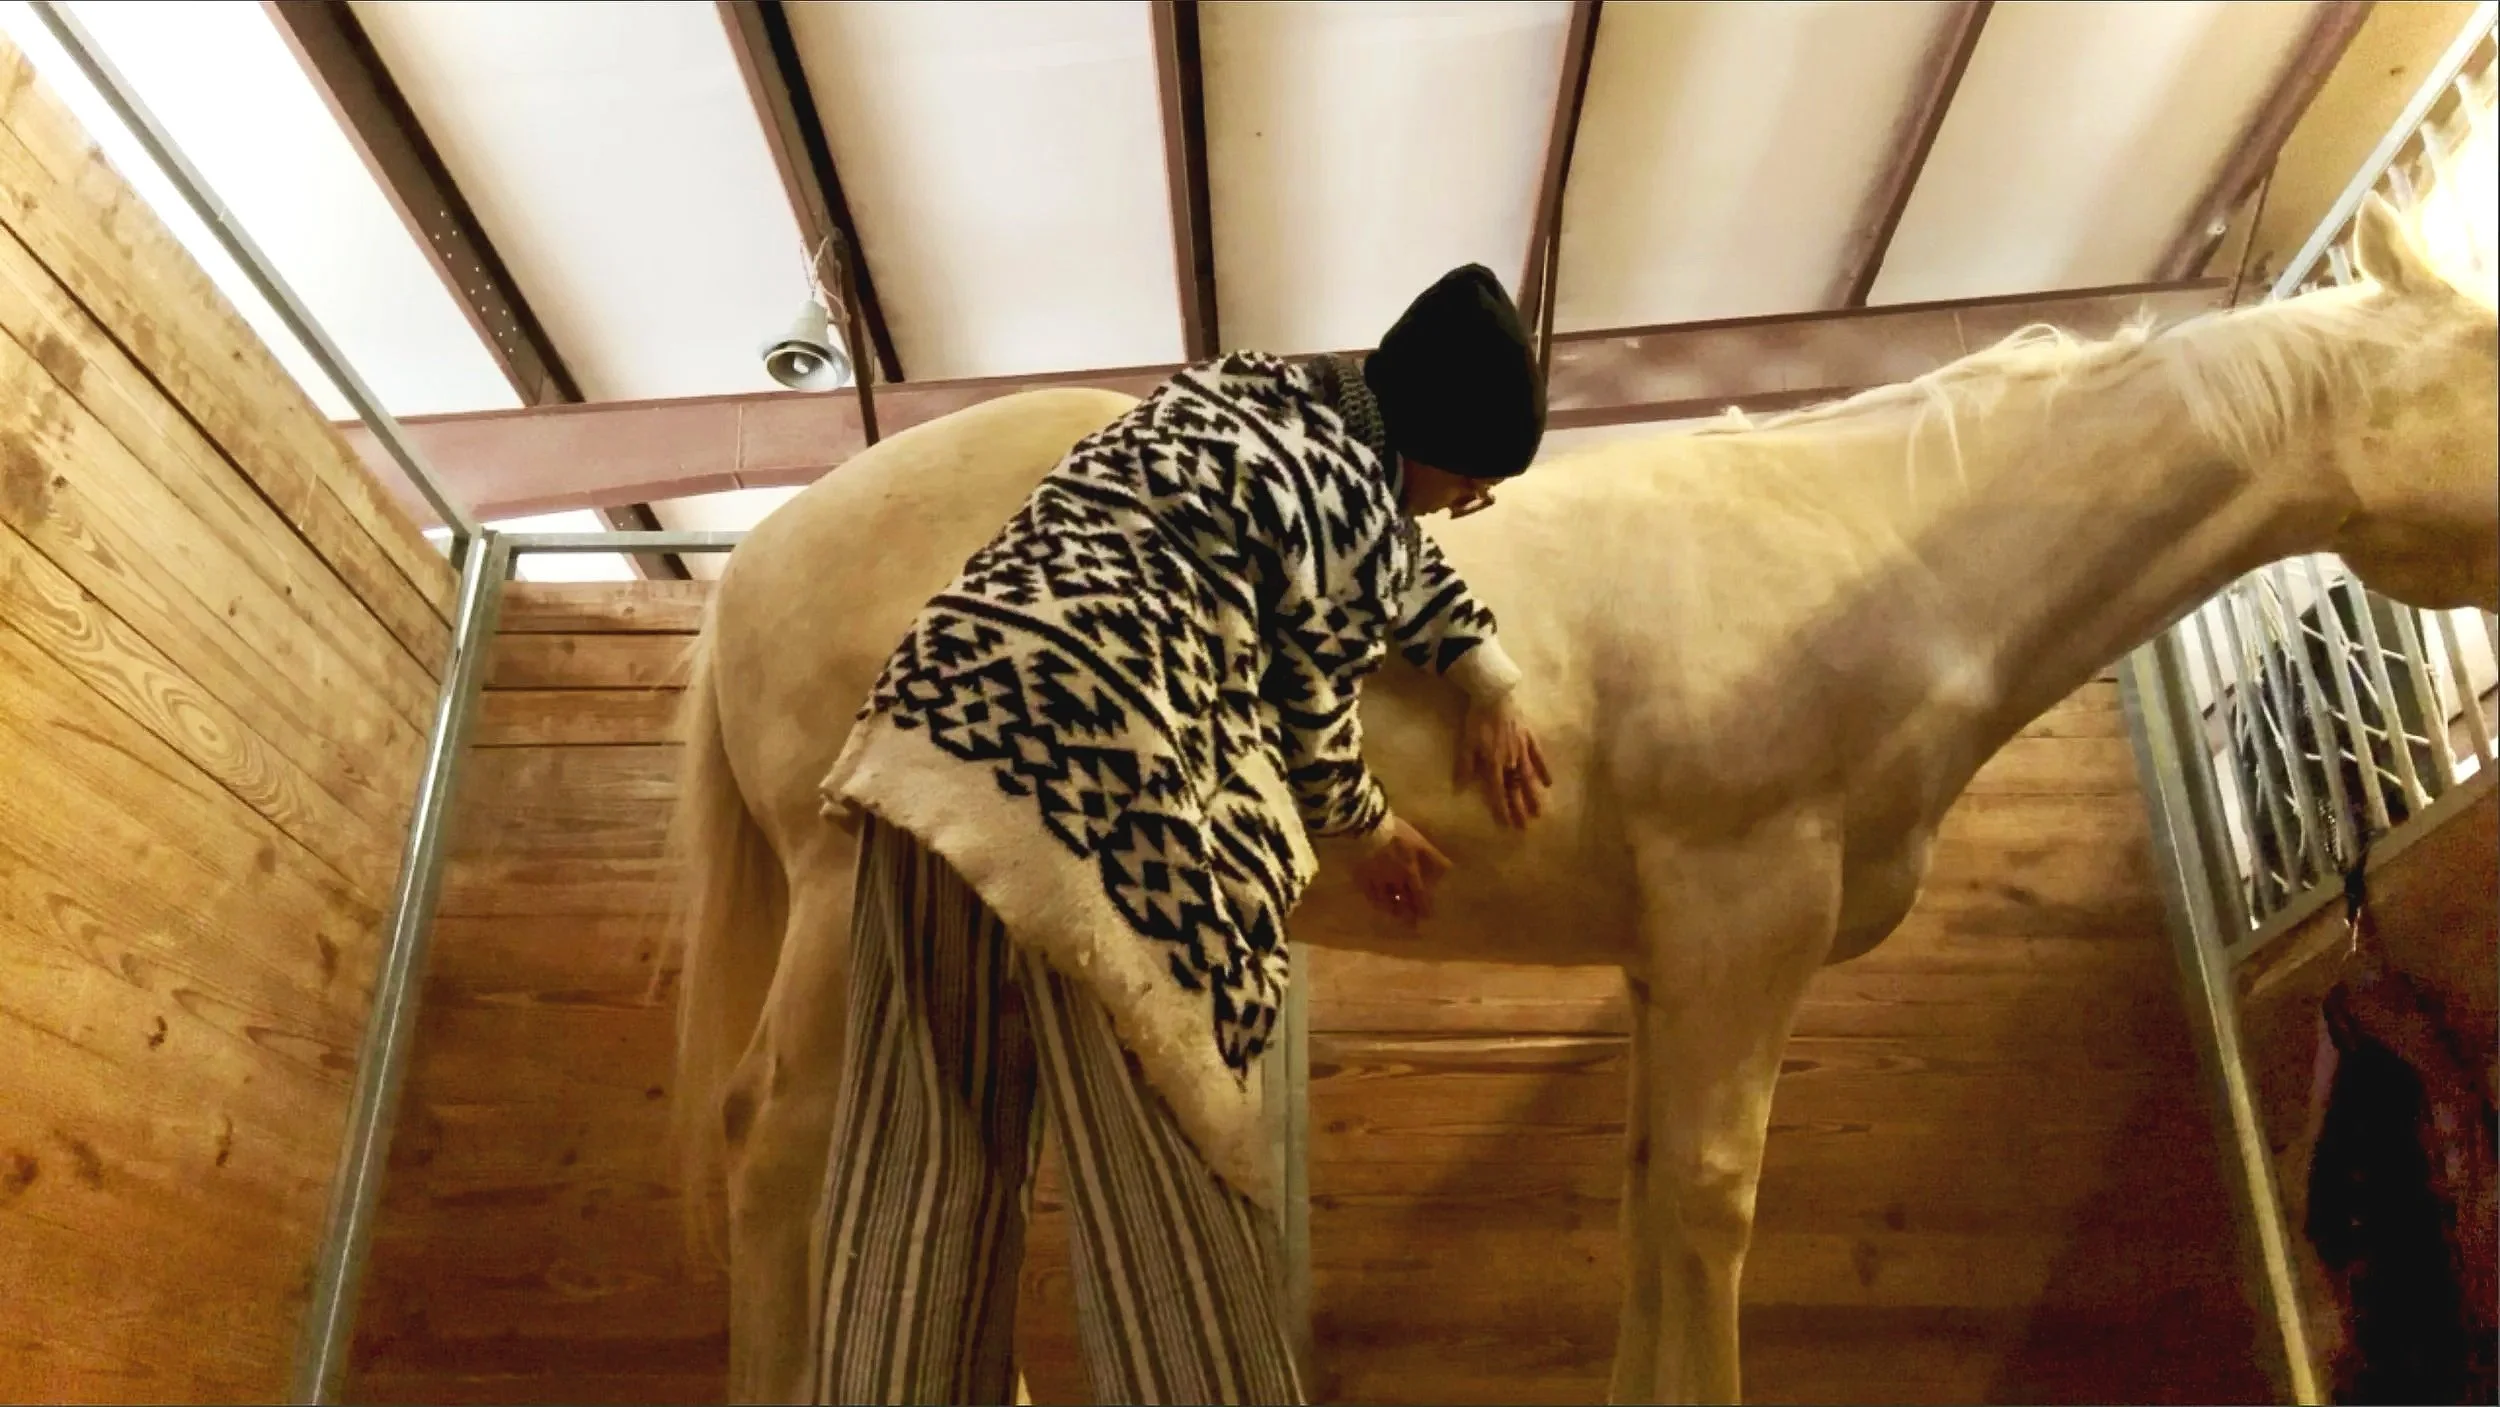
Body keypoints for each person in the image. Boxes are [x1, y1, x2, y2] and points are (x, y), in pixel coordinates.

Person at [813, 263, 1553, 1404]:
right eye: (1472, 483)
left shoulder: (1228, 398)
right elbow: (1316, 703)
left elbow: (1396, 566)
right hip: (1104, 769)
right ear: (1433, 443)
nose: (1461, 507)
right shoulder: (1358, 502)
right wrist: (1365, 827)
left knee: (918, 1151)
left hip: (929, 727)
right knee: (1170, 1165)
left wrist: (1485, 675)